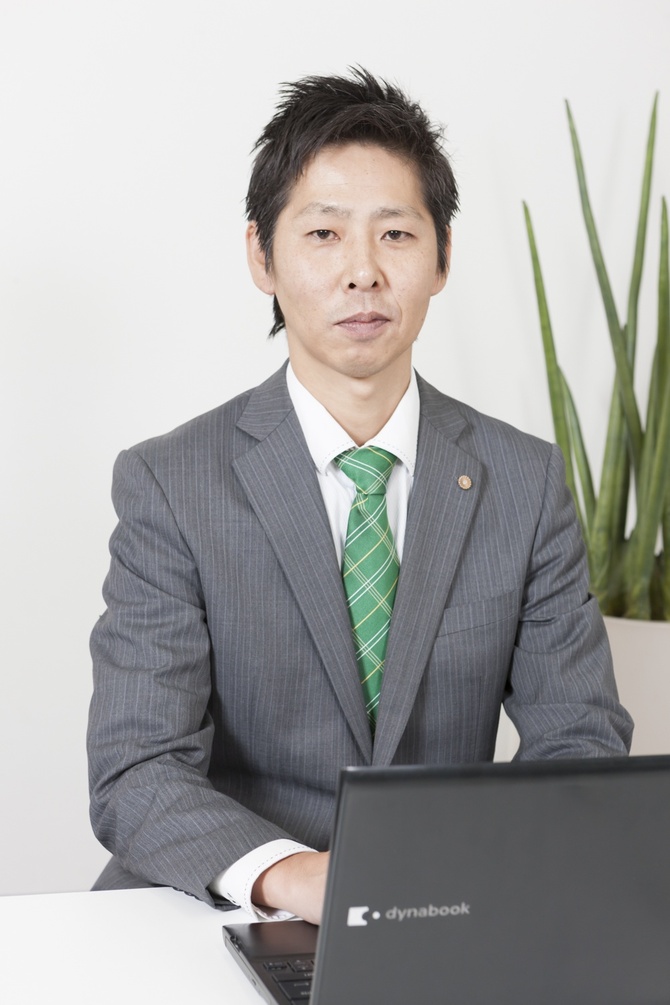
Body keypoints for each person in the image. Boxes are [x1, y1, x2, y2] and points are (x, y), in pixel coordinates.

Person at [87, 68, 633, 925]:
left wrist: (460, 884)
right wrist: (295, 874)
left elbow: (581, 740)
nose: (363, 272)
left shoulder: (523, 482)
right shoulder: (172, 482)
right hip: (223, 907)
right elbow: (136, 766)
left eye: (396, 234)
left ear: (442, 257)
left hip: (444, 909)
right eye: (324, 233)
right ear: (262, 255)